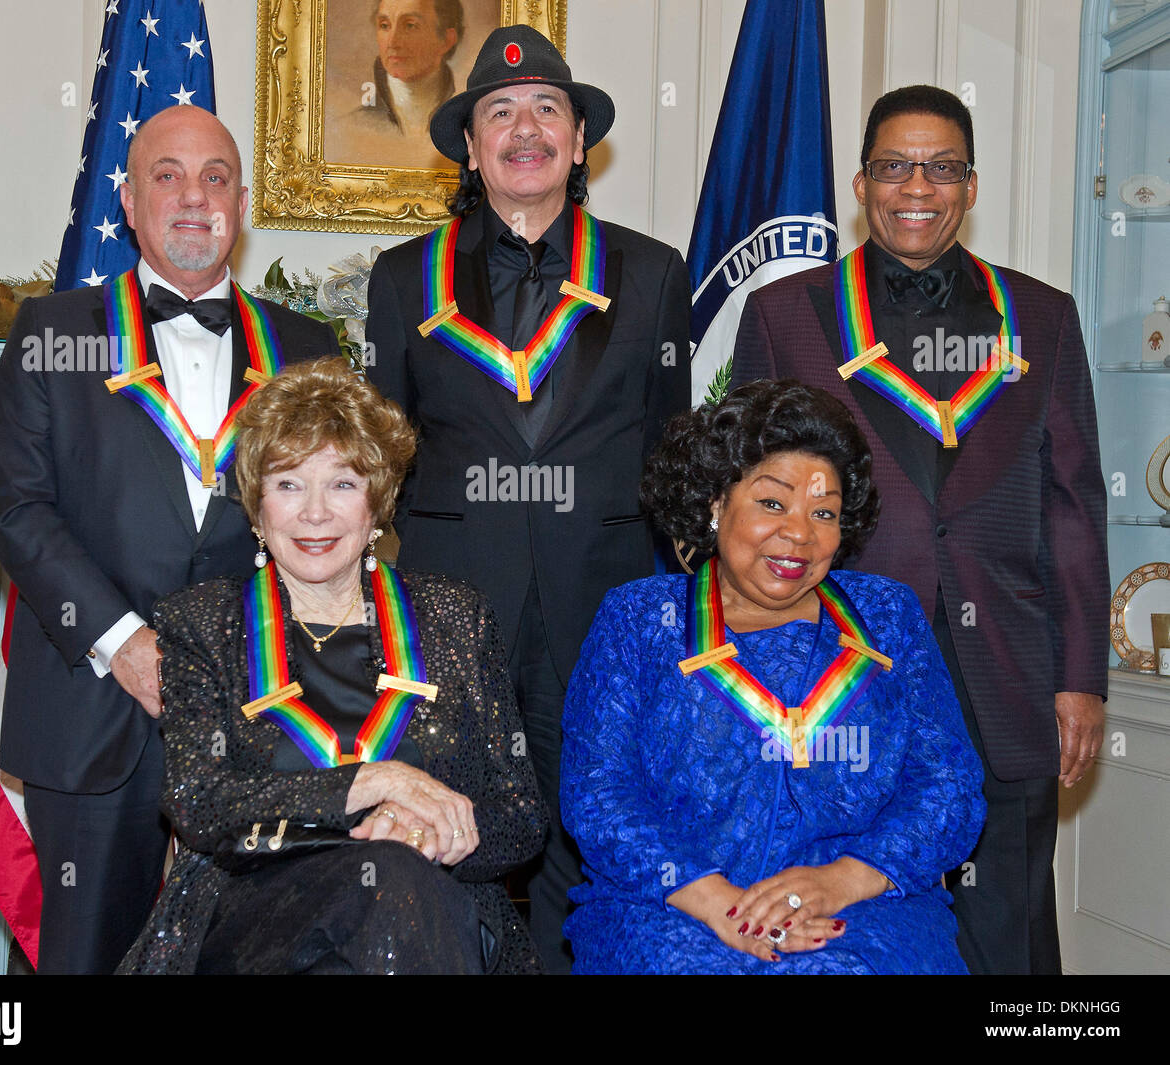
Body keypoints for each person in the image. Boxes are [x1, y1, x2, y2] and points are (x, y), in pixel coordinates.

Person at [729, 85, 1108, 974]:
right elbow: (746, 509)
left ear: (971, 188)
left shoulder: (1042, 317)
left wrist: (1082, 676)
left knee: (1009, 930)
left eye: (942, 168)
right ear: (862, 183)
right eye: (895, 166)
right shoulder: (785, 315)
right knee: (850, 922)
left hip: (1008, 670)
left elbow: (1074, 504)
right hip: (837, 672)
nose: (917, 186)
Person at [0, 105, 340, 974]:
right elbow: (18, 510)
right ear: (130, 200)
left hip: (262, 718)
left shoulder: (308, 348)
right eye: (168, 176)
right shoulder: (52, 332)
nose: (193, 196)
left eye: (215, 176)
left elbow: (334, 523)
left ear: (242, 204)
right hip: (94, 709)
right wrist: (127, 644)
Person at [364, 24, 691, 972]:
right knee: (444, 829)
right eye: (500, 112)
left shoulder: (653, 271)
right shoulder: (403, 276)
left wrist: (674, 611)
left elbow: (670, 454)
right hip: (451, 609)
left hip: (606, 598)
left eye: (548, 108)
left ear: (580, 138)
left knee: (591, 832)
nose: (526, 128)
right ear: (470, 146)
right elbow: (387, 458)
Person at [119, 358, 546, 974]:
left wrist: (434, 836)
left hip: (431, 905)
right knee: (391, 885)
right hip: (257, 919)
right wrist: (373, 782)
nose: (315, 513)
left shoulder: (455, 616)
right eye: (288, 484)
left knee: (398, 882)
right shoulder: (201, 623)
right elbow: (200, 803)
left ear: (377, 504)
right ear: (256, 506)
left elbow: (520, 816)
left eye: (342, 484)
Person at [561, 380, 987, 974]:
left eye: (824, 512)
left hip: (860, 907)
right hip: (672, 905)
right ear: (715, 503)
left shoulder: (887, 616)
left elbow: (949, 787)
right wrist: (719, 903)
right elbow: (598, 795)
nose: (800, 533)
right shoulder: (639, 618)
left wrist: (840, 882)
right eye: (771, 503)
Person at [351, 0, 462, 142]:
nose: (392, 42)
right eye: (384, 25)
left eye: (410, 25)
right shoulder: (354, 125)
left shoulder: (465, 121)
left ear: (446, 40)